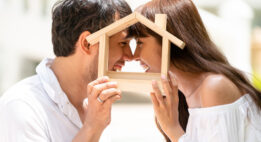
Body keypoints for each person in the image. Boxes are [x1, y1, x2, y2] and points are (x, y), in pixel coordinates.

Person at [0, 0, 134, 142]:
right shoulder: (23, 106)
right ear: (87, 43)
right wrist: (92, 128)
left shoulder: (95, 107)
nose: (130, 56)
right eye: (123, 43)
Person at [133, 0, 261, 142]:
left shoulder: (214, 87)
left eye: (139, 42)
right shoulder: (182, 96)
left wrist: (173, 130)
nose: (134, 56)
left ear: (167, 40)